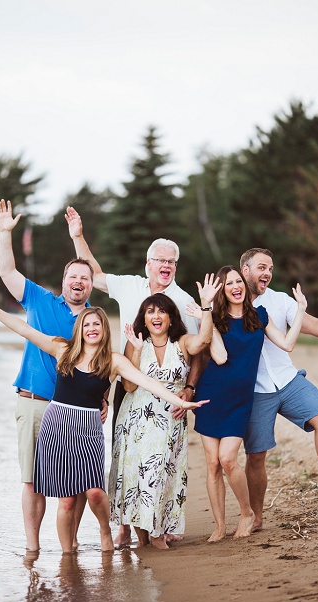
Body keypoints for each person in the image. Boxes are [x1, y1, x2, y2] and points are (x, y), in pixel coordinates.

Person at [0, 287, 206, 552]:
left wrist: (181, 401)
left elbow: (148, 383)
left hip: (89, 429)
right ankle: (67, 557)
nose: (92, 328)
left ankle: (106, 531)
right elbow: (26, 330)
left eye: (97, 324)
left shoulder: (113, 361)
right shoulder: (63, 349)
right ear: (80, 329)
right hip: (57, 426)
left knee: (95, 491)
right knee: (67, 501)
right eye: (87, 324)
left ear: (104, 329)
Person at [68, 208, 201, 546]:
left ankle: (156, 522)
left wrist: (189, 388)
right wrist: (77, 236)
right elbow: (94, 275)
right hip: (127, 385)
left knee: (162, 460)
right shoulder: (129, 286)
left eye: (171, 261)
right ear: (148, 264)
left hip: (169, 392)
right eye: (160, 259)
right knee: (124, 453)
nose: (166, 265)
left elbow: (197, 352)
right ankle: (125, 522)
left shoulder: (185, 302)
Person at [0, 199, 97, 553]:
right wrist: (5, 233)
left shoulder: (92, 323)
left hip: (76, 413)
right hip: (35, 404)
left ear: (91, 285)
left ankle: (71, 542)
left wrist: (104, 403)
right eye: (73, 277)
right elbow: (7, 272)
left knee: (77, 483)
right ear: (64, 281)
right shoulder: (39, 300)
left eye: (84, 278)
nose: (78, 282)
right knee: (33, 481)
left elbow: (102, 369)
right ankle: (33, 548)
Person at [239, 248, 318, 528]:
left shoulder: (279, 300)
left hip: (287, 379)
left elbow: (311, 324)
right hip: (255, 390)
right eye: (261, 267)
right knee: (256, 456)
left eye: (270, 268)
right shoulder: (231, 302)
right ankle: (256, 517)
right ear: (245, 270)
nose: (267, 273)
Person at [192, 265, 306, 542]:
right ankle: (219, 526)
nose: (236, 286)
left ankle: (247, 513)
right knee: (212, 464)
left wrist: (301, 309)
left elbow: (288, 344)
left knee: (228, 459)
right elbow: (218, 356)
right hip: (211, 394)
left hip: (241, 398)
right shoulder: (212, 318)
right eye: (229, 283)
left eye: (238, 281)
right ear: (222, 289)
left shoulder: (259, 316)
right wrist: (206, 310)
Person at [110, 281, 217, 550]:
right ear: (143, 319)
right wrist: (133, 349)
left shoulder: (181, 342)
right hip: (136, 419)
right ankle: (143, 534)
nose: (155, 316)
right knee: (135, 476)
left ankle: (158, 531)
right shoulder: (136, 344)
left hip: (170, 418)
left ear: (171, 318)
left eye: (161, 312)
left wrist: (206, 308)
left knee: (162, 473)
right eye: (149, 312)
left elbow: (204, 341)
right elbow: (130, 386)